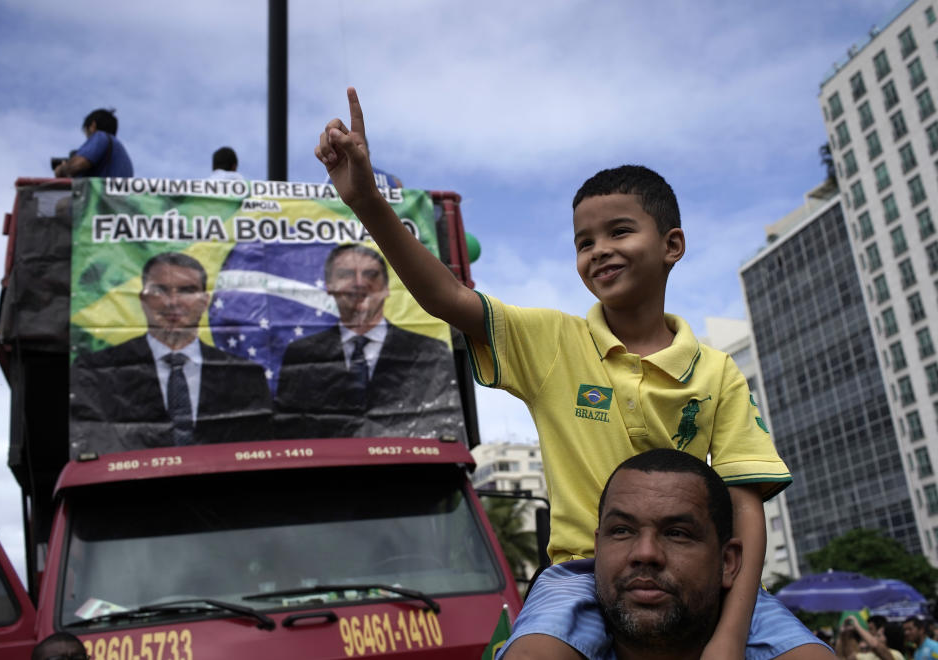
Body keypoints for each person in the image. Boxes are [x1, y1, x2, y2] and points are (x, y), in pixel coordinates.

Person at [314, 87, 817, 659]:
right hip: (580, 573)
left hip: (695, 577)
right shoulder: (552, 341)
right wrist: (367, 203)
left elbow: (745, 504)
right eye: (584, 242)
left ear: (672, 244)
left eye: (619, 232)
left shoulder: (718, 372)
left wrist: (728, 637)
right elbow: (446, 296)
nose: (599, 250)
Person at [502, 450, 831, 659]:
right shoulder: (557, 617)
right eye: (622, 531)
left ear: (728, 562)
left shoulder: (775, 639)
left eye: (677, 533)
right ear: (597, 549)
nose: (645, 553)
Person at [72, 252, 272, 451]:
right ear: (143, 300)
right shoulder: (95, 371)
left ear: (204, 301)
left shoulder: (246, 375)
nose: (173, 302)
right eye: (160, 291)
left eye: (187, 290)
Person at [275, 243, 461, 439]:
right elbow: (288, 428)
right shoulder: (300, 353)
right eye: (346, 274)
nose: (360, 283)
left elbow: (444, 424)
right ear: (329, 286)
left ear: (387, 288)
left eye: (371, 275)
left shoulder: (430, 351)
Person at [53, 108, 133, 178]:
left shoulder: (100, 136)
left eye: (86, 134)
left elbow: (78, 164)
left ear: (92, 126)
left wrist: (61, 169)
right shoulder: (123, 158)